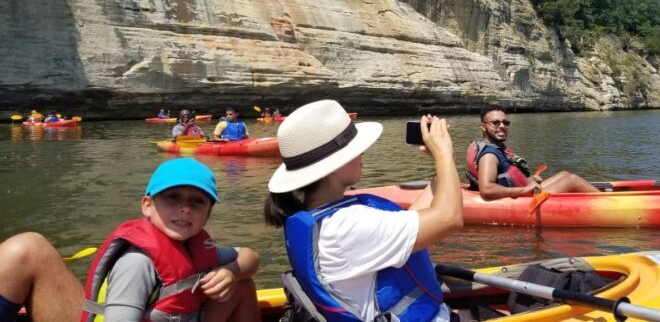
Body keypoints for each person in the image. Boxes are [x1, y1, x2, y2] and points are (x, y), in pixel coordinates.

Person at [265, 100, 462, 321]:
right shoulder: (346, 227)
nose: (363, 153)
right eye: (356, 148)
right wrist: (443, 153)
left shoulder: (325, 218)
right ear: (335, 165)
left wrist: (445, 162)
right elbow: (449, 218)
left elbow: (410, 220)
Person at [0, 158, 261, 321]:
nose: (185, 208)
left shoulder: (196, 247)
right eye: (173, 198)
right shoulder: (137, 263)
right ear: (147, 205)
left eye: (197, 202)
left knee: (242, 285)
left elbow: (250, 257)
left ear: (207, 215)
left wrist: (230, 273)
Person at [466, 105, 599, 201]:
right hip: (520, 198)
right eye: (495, 122)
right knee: (572, 180)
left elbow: (504, 180)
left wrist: (529, 181)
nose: (502, 126)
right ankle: (609, 203)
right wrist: (524, 189)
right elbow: (487, 190)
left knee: (565, 174)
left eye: (505, 122)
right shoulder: (489, 155)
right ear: (483, 126)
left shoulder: (495, 148)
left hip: (519, 193)